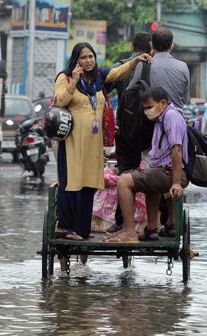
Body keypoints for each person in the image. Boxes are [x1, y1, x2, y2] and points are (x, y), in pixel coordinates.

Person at [53, 42, 151, 242]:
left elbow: (117, 73)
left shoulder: (98, 78)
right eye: (83, 58)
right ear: (76, 60)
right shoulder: (65, 77)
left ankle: (81, 229)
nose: (88, 61)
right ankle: (65, 227)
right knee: (72, 181)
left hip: (93, 142)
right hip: (73, 141)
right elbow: (60, 101)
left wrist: (136, 61)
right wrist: (74, 81)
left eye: (91, 56)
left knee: (89, 181)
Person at [106, 87, 189, 243]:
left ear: (163, 103)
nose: (146, 111)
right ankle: (151, 229)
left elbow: (176, 149)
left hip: (171, 173)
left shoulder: (171, 116)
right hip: (161, 171)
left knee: (124, 181)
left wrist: (176, 183)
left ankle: (129, 232)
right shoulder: (160, 119)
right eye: (144, 108)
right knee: (150, 182)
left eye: (149, 107)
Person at [105, 32, 152, 235]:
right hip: (151, 128)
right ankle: (157, 223)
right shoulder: (154, 65)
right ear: (150, 47)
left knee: (125, 174)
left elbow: (104, 87)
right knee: (156, 173)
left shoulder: (122, 65)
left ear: (133, 46)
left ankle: (122, 221)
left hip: (126, 128)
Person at [128, 27, 190, 109]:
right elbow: (186, 99)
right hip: (175, 120)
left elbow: (129, 91)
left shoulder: (144, 65)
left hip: (150, 119)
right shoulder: (183, 67)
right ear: (172, 45)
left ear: (151, 45)